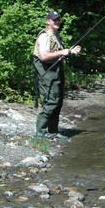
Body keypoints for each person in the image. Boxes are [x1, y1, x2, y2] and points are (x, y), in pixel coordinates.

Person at [33, 11, 81, 139]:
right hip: (47, 73)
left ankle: (53, 132)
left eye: (58, 19)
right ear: (48, 21)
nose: (57, 21)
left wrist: (71, 52)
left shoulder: (55, 35)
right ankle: (40, 133)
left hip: (56, 73)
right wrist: (63, 52)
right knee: (51, 101)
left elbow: (58, 53)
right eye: (54, 20)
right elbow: (44, 56)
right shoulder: (44, 37)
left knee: (58, 102)